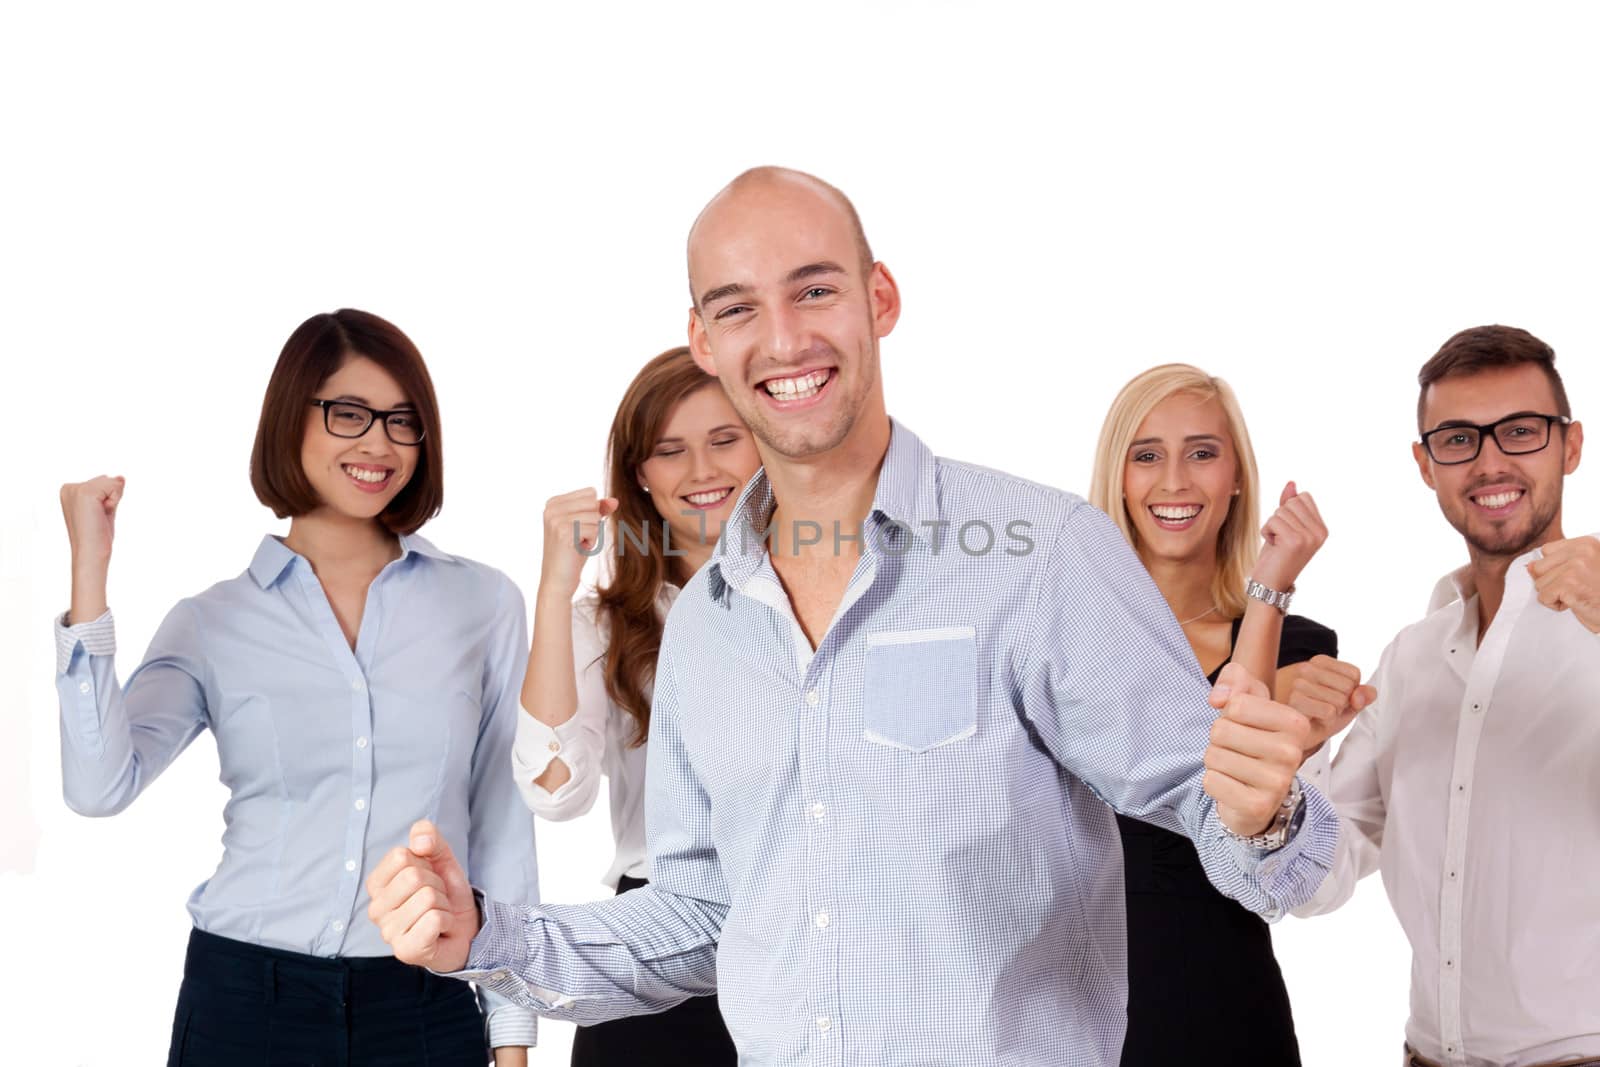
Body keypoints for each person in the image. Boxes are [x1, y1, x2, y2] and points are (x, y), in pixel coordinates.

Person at [366, 168, 1339, 1066]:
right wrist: (484, 932)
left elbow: (1229, 827)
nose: (783, 339)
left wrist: (1267, 809)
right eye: (738, 306)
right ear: (704, 341)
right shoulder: (705, 626)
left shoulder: (1043, 553)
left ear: (881, 299)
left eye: (814, 289)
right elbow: (698, 914)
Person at [55, 309, 538, 1066]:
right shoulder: (213, 622)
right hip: (246, 1001)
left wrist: (512, 1039)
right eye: (348, 414)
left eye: (402, 421)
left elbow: (503, 827)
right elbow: (98, 786)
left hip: (424, 1001)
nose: (378, 443)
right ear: (292, 418)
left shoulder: (483, 604)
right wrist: (90, 568)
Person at [1293, 325, 1600, 1067]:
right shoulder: (1412, 659)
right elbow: (1312, 885)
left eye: (1520, 431)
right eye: (1459, 438)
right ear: (1426, 465)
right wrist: (1294, 756)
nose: (1491, 461)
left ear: (1571, 446)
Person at [1089, 363, 1369, 1065]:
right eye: (1146, 453)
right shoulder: (1070, 638)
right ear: (1118, 476)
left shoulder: (1302, 653)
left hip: (1225, 1011)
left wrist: (1269, 583)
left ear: (1237, 475)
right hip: (1079, 1009)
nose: (1175, 480)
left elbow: (1258, 842)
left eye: (1203, 453)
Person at [511, 346, 755, 1065]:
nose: (703, 472)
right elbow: (554, 793)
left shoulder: (826, 599)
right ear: (641, 475)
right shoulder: (607, 624)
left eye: (724, 439)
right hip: (656, 937)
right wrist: (557, 589)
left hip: (799, 930)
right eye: (670, 450)